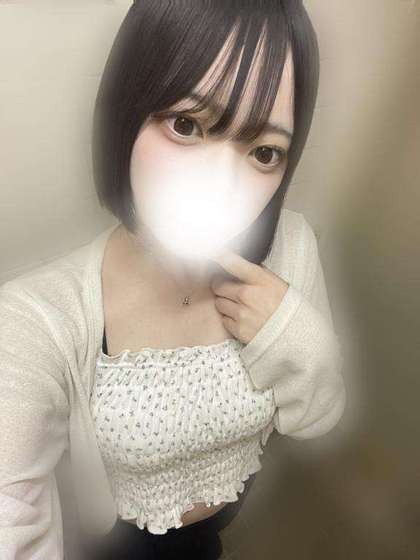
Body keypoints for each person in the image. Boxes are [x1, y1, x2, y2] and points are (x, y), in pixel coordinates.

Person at [0, 1, 346, 559]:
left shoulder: (294, 246)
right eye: (187, 125)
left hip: (216, 532)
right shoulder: (34, 319)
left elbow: (315, 421)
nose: (222, 189)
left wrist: (292, 331)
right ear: (126, 112)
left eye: (264, 152)